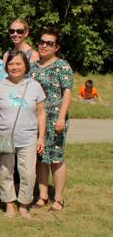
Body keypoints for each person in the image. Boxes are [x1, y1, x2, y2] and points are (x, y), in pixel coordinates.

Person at [0, 51, 46, 218]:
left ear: (25, 66)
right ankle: (9, 204)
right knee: (5, 171)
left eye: (18, 64)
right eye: (11, 64)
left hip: (28, 137)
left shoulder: (34, 86)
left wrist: (41, 137)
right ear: (6, 67)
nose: (14, 67)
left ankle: (24, 204)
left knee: (28, 173)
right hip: (3, 137)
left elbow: (41, 113)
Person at [30, 28, 73, 212]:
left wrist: (62, 117)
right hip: (35, 119)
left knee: (55, 158)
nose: (44, 45)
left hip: (56, 118)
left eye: (49, 43)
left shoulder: (62, 65)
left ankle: (59, 199)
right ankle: (43, 195)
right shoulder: (32, 66)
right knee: (40, 158)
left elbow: (67, 92)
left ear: (57, 47)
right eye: (42, 42)